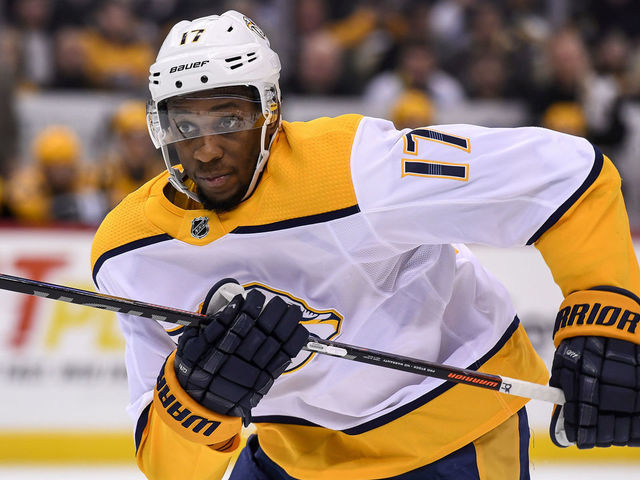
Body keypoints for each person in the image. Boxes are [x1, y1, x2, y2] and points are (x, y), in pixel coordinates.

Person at [91, 10, 640, 480]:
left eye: (230, 118)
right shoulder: (129, 249)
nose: (206, 150)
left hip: (450, 438)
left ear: (270, 112)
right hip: (291, 456)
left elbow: (568, 177)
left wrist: (607, 311)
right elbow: (168, 466)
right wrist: (196, 402)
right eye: (185, 126)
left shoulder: (355, 169)